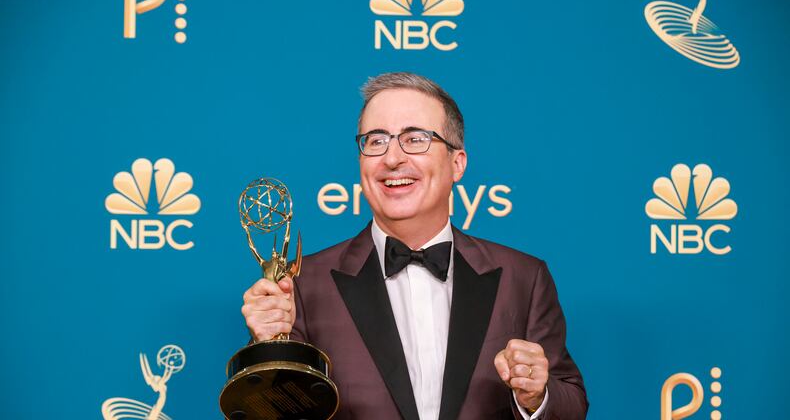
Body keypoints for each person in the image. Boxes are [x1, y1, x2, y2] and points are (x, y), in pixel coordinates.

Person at [241, 72, 588, 419]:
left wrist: (535, 396)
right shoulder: (303, 285)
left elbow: (571, 404)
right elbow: (275, 412)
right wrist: (266, 349)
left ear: (457, 163)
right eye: (376, 141)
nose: (392, 158)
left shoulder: (524, 278)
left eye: (415, 139)